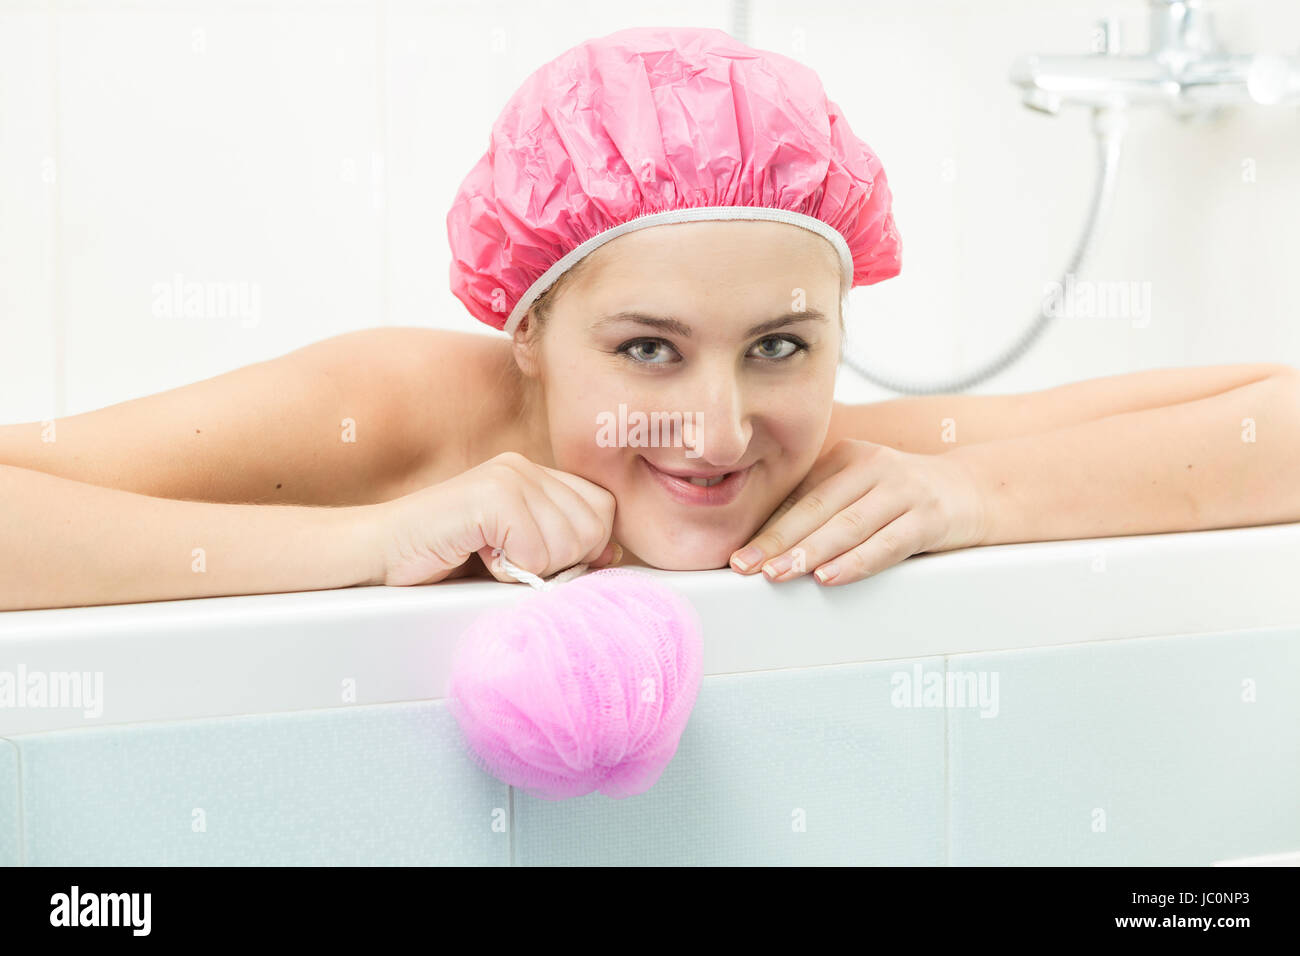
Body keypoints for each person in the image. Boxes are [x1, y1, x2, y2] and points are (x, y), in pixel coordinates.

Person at [2, 26, 1298, 612]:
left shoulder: (816, 458)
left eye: (783, 344)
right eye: (645, 349)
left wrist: (982, 501)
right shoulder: (403, 413)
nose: (719, 427)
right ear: (529, 331)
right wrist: (376, 539)